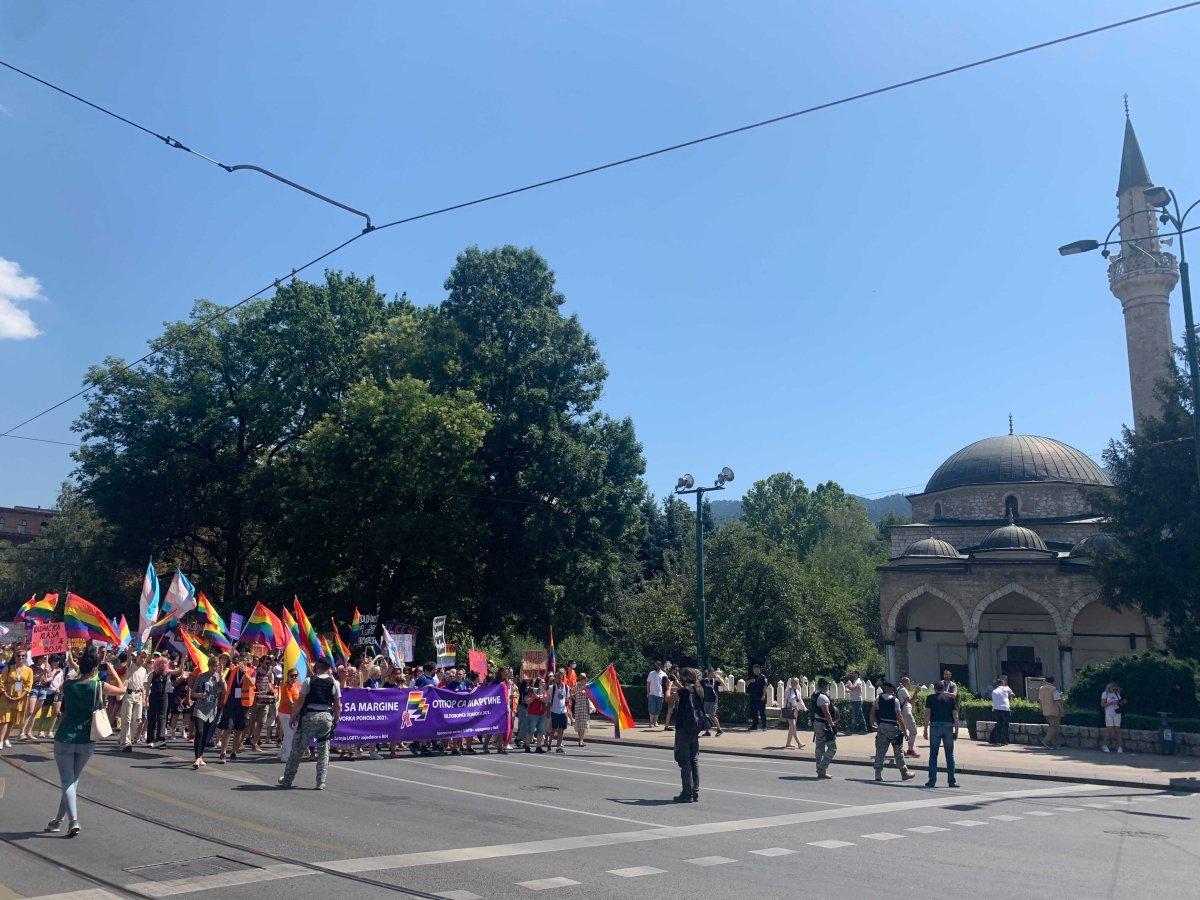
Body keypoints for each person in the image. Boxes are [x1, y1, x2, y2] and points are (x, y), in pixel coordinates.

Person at [47, 649, 126, 837]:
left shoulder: (68, 685)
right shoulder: (98, 685)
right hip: (87, 739)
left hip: (65, 737)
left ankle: (73, 821)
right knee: (72, 781)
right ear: (95, 668)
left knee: (68, 781)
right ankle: (58, 820)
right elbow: (122, 690)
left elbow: (68, 686)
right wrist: (112, 669)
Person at [278, 657, 341, 790]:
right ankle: (320, 782)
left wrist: (293, 716)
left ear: (317, 666)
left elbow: (300, 701)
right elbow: (337, 705)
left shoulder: (308, 681)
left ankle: (287, 780)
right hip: (326, 718)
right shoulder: (334, 682)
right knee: (324, 751)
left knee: (297, 750)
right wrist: (336, 718)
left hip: (309, 717)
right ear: (328, 668)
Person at [870, 681, 915, 782]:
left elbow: (872, 712)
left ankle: (878, 773)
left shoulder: (878, 699)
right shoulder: (895, 701)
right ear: (890, 689)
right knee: (898, 751)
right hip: (892, 728)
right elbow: (899, 716)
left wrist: (872, 724)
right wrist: (904, 731)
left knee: (880, 750)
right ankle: (904, 773)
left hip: (881, 727)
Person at [672, 667, 704, 802]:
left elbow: (668, 698)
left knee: (684, 762)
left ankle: (687, 793)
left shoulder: (684, 691)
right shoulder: (699, 690)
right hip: (695, 730)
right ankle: (695, 791)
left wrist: (669, 686)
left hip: (683, 730)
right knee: (694, 761)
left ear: (684, 678)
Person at [189, 663, 226, 769]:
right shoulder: (201, 677)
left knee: (206, 734)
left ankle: (200, 756)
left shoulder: (218, 678)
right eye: (213, 666)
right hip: (200, 707)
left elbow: (225, 688)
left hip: (211, 710)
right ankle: (197, 758)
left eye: (217, 666)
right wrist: (199, 695)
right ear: (209, 666)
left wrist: (222, 675)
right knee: (199, 732)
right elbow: (193, 693)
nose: (215, 668)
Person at [217, 657, 253, 762]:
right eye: (242, 661)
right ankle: (223, 753)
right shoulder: (232, 670)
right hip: (230, 702)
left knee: (239, 729)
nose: (243, 663)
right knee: (227, 728)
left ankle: (233, 751)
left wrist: (245, 672)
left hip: (243, 705)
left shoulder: (251, 671)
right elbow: (224, 682)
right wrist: (222, 700)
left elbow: (252, 683)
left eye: (247, 662)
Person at [924, 680, 959, 788]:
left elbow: (927, 714)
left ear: (935, 688)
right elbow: (955, 716)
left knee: (933, 754)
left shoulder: (930, 698)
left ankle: (932, 780)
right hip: (948, 726)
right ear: (944, 688)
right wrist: (956, 731)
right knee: (950, 754)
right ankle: (951, 781)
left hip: (935, 726)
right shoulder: (951, 699)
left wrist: (925, 729)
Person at [0, 648, 33, 748]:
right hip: (7, 697)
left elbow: (28, 685)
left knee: (12, 720)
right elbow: (1, 682)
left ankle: (6, 738)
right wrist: (5, 694)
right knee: (4, 719)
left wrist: (20, 697)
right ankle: (0, 740)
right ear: (15, 657)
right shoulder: (8, 668)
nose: (21, 658)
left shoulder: (29, 670)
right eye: (18, 656)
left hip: (19, 699)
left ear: (25, 657)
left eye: (23, 656)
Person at [117, 651, 148, 751]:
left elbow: (143, 686)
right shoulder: (131, 665)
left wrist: (144, 699)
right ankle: (125, 743)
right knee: (127, 719)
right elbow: (129, 658)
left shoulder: (144, 670)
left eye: (144, 657)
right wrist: (130, 650)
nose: (143, 659)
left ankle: (127, 738)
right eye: (141, 657)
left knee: (137, 720)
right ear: (137, 657)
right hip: (129, 695)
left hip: (138, 696)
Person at [248, 658, 279, 752]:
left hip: (265, 701)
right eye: (267, 663)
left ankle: (255, 743)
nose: (269, 665)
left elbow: (271, 686)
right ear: (261, 663)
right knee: (251, 722)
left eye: (270, 663)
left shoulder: (270, 674)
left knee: (261, 723)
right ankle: (248, 738)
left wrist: (272, 692)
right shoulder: (255, 672)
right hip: (254, 700)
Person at [811, 678, 837, 780]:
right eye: (827, 685)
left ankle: (820, 771)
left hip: (817, 723)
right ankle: (821, 768)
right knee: (832, 748)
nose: (828, 687)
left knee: (819, 748)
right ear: (824, 686)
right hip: (824, 725)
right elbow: (827, 713)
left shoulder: (815, 695)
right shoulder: (822, 697)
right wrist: (833, 725)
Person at [545, 670, 571, 753]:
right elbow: (549, 700)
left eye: (560, 677)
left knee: (561, 729)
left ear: (562, 678)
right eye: (556, 677)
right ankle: (549, 744)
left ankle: (558, 746)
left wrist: (567, 711)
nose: (558, 678)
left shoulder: (566, 687)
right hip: (554, 711)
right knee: (553, 729)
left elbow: (566, 699)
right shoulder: (552, 688)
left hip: (563, 711)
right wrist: (548, 711)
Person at [1038, 676, 1064, 748]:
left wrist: (1041, 708)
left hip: (1045, 710)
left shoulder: (1041, 689)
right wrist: (1062, 710)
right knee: (1054, 727)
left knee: (1051, 726)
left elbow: (1040, 700)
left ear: (1046, 680)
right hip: (1054, 710)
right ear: (1053, 681)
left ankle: (1056, 743)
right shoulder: (1053, 689)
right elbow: (1057, 700)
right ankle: (1046, 741)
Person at [988, 677, 1015, 745]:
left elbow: (994, 701)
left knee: (999, 725)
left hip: (996, 709)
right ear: (1002, 683)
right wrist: (1011, 699)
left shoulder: (994, 691)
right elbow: (1012, 695)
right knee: (1005, 725)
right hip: (1005, 708)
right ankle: (1004, 740)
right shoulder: (1006, 688)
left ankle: (997, 740)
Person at [897, 676, 919, 757]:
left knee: (900, 732)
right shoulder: (903, 690)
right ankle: (910, 750)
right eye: (909, 682)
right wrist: (916, 692)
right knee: (913, 731)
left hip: (901, 713)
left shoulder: (898, 689)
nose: (910, 684)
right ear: (906, 682)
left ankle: (900, 750)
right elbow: (911, 701)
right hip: (907, 713)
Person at [1101, 681, 1125, 753]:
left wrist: (1122, 702)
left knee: (1117, 728)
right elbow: (1102, 704)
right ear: (1109, 688)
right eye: (1113, 688)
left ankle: (1120, 747)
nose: (1114, 690)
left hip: (1117, 713)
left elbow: (1120, 703)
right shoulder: (1105, 693)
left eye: (1115, 689)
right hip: (1109, 713)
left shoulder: (1117, 694)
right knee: (1109, 729)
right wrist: (1110, 703)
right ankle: (1104, 745)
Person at [782, 677, 806, 750]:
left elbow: (800, 701)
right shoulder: (788, 691)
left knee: (791, 728)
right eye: (792, 682)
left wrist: (804, 708)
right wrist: (794, 697)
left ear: (797, 683)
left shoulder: (797, 691)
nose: (793, 684)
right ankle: (799, 743)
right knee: (793, 727)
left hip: (795, 710)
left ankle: (788, 743)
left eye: (795, 683)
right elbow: (788, 699)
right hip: (789, 709)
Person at [700, 669, 723, 736]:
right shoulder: (704, 680)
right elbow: (698, 684)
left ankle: (719, 729)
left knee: (712, 715)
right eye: (713, 673)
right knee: (705, 715)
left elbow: (723, 685)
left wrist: (719, 678)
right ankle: (707, 731)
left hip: (713, 700)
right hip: (706, 700)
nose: (714, 674)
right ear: (709, 673)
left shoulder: (715, 681)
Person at [745, 663, 768, 731]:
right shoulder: (751, 676)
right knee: (754, 712)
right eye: (754, 669)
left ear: (759, 670)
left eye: (757, 669)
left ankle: (764, 726)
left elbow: (765, 687)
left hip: (760, 697)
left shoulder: (763, 677)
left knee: (762, 712)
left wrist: (763, 695)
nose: (756, 671)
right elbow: (745, 684)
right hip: (752, 697)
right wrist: (749, 681)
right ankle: (754, 725)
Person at [572, 673, 590, 747]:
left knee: (583, 725)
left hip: (585, 707)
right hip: (578, 707)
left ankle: (581, 740)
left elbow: (591, 697)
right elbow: (571, 694)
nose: (583, 680)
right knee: (579, 725)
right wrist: (575, 696)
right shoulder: (576, 685)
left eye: (584, 678)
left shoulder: (588, 687)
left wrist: (586, 693)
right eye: (581, 678)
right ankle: (580, 740)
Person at [646, 661, 665, 728]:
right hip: (652, 694)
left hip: (660, 694)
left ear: (660, 666)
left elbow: (665, 685)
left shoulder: (664, 674)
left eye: (657, 665)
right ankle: (651, 722)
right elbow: (648, 683)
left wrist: (664, 693)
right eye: (655, 665)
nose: (655, 666)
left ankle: (655, 722)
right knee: (651, 708)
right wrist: (648, 692)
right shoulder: (651, 673)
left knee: (658, 709)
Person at [662, 666, 681, 731]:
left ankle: (677, 725)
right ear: (672, 670)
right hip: (672, 695)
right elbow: (668, 686)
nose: (677, 671)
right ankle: (666, 726)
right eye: (676, 670)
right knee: (670, 711)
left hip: (677, 695)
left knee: (678, 710)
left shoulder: (677, 677)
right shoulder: (669, 677)